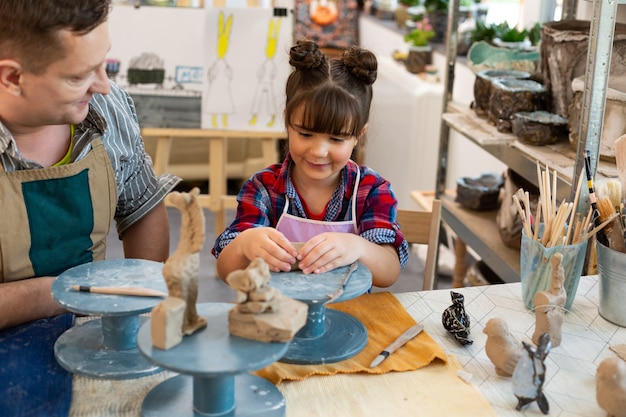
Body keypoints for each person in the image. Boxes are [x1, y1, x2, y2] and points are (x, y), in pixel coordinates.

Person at [0, 1, 179, 414]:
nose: (102, 84)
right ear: (12, 77)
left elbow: (142, 209)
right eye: (79, 76)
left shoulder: (105, 106)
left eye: (104, 64)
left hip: (97, 319)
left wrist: (142, 304)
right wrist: (56, 293)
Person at [213, 39, 408, 287]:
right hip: (278, 317)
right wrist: (244, 244)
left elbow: (389, 273)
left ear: (358, 135)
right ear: (287, 123)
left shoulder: (371, 190)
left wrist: (357, 247)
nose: (318, 151)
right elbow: (226, 271)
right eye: (305, 134)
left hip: (349, 317)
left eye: (336, 138)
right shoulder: (264, 188)